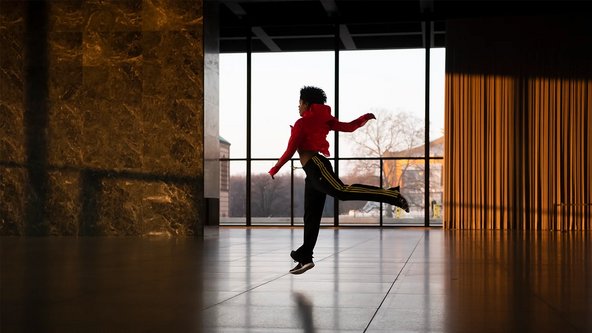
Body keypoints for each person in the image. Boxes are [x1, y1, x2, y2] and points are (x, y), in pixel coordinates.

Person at [268, 86, 410, 275]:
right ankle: (305, 257)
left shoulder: (302, 123)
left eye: (300, 103)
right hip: (312, 172)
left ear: (307, 104)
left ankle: (392, 194)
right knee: (311, 215)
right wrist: (363, 118)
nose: (298, 107)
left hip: (317, 166)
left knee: (342, 191)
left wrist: (275, 168)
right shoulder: (320, 121)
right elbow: (349, 127)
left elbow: (290, 150)